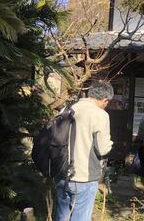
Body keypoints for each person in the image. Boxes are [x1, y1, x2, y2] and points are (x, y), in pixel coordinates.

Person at [55, 82, 114, 221]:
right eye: (107, 102)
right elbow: (103, 148)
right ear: (105, 99)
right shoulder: (100, 114)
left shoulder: (66, 109)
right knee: (81, 216)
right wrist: (111, 143)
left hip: (62, 172)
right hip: (84, 176)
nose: (106, 105)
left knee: (61, 214)